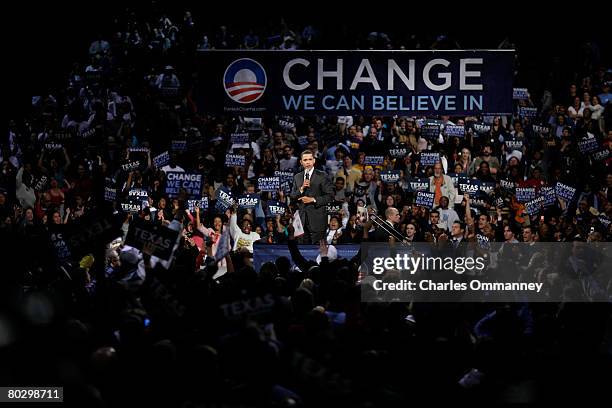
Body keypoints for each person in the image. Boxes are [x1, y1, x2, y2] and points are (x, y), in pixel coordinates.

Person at [290, 150, 333, 244]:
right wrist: (301, 189)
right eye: (305, 160)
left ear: (314, 161)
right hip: (302, 221)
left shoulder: (322, 175)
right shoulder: (297, 177)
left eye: (310, 159)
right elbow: (292, 196)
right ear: (301, 162)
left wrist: (313, 199)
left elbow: (330, 196)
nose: (308, 162)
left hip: (317, 220)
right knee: (302, 250)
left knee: (318, 251)